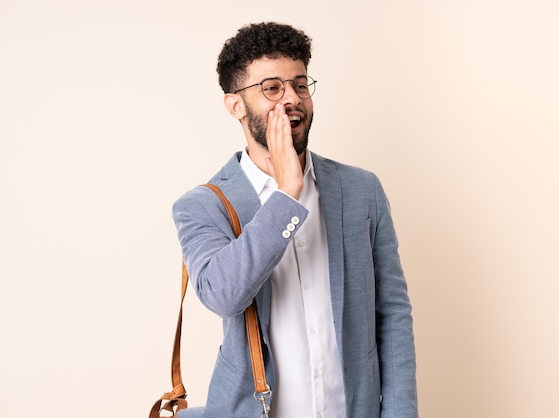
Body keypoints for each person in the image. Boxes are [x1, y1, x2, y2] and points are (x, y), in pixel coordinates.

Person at [172, 22, 418, 418]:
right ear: (235, 105)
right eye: (272, 88)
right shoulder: (202, 205)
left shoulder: (362, 190)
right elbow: (224, 295)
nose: (291, 99)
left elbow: (391, 313)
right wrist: (287, 194)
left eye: (300, 85)